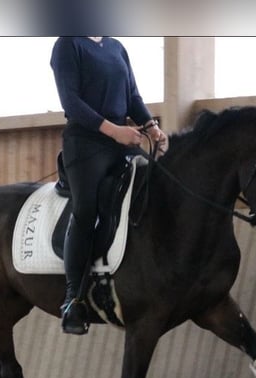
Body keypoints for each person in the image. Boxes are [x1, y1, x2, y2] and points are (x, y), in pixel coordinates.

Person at [50, 36, 168, 335]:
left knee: (154, 188)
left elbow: (132, 95)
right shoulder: (68, 44)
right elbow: (71, 102)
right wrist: (114, 131)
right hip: (86, 143)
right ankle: (73, 298)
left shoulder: (116, 47)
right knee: (86, 210)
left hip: (124, 141)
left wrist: (152, 128)